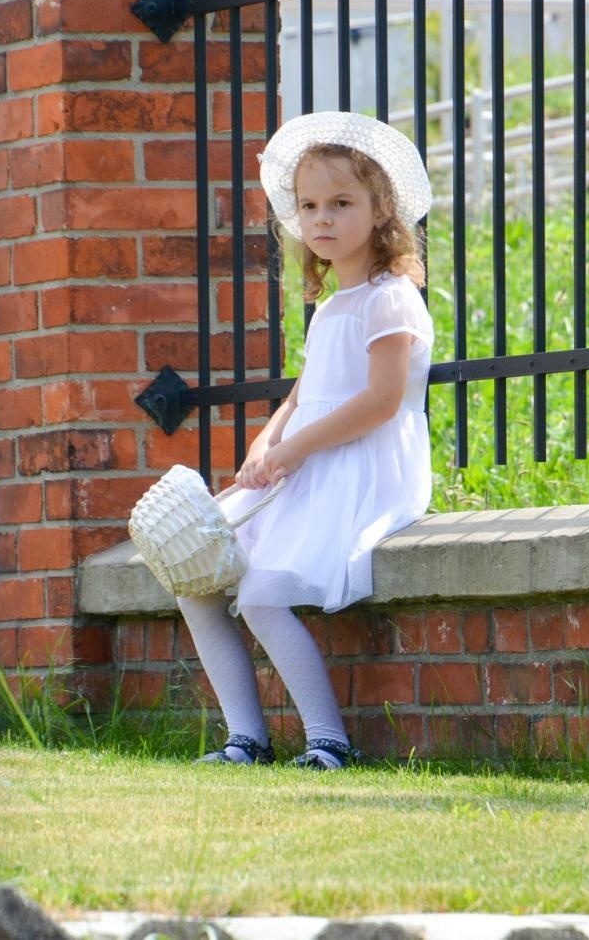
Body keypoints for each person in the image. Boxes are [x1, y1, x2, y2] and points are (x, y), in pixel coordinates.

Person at [177, 111, 435, 770]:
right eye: (310, 205)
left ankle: (328, 741)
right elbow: (302, 394)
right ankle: (245, 738)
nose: (322, 219)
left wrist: (294, 450)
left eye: (341, 203)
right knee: (195, 579)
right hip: (309, 465)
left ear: (381, 209)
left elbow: (380, 401)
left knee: (261, 592)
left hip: (359, 470)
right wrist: (266, 444)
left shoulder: (388, 298)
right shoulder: (330, 305)